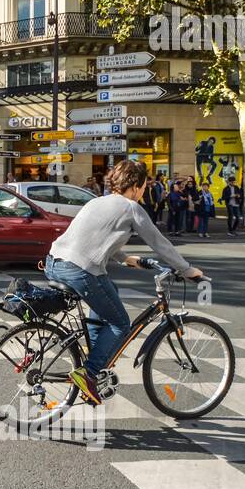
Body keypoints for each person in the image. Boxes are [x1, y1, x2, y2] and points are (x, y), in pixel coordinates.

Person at [45, 159, 203, 406]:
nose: (143, 191)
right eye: (143, 186)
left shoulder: (96, 201)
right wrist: (187, 269)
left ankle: (95, 355)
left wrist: (128, 258)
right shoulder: (131, 208)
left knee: (110, 292)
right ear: (137, 186)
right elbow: (159, 242)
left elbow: (97, 237)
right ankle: (89, 373)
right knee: (121, 322)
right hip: (80, 270)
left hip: (54, 263)